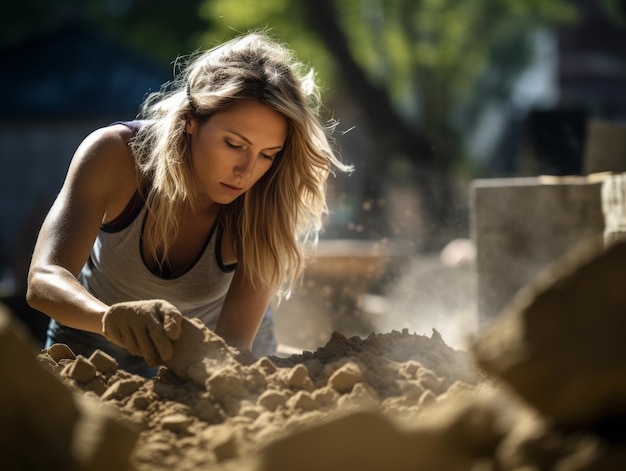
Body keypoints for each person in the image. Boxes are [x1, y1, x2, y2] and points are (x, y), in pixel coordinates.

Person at [26, 31, 352, 377]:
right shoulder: (115, 155)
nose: (247, 171)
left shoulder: (269, 197)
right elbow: (43, 280)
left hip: (211, 353)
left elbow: (234, 342)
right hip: (91, 343)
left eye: (267, 155)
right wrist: (110, 319)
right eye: (234, 144)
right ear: (191, 120)